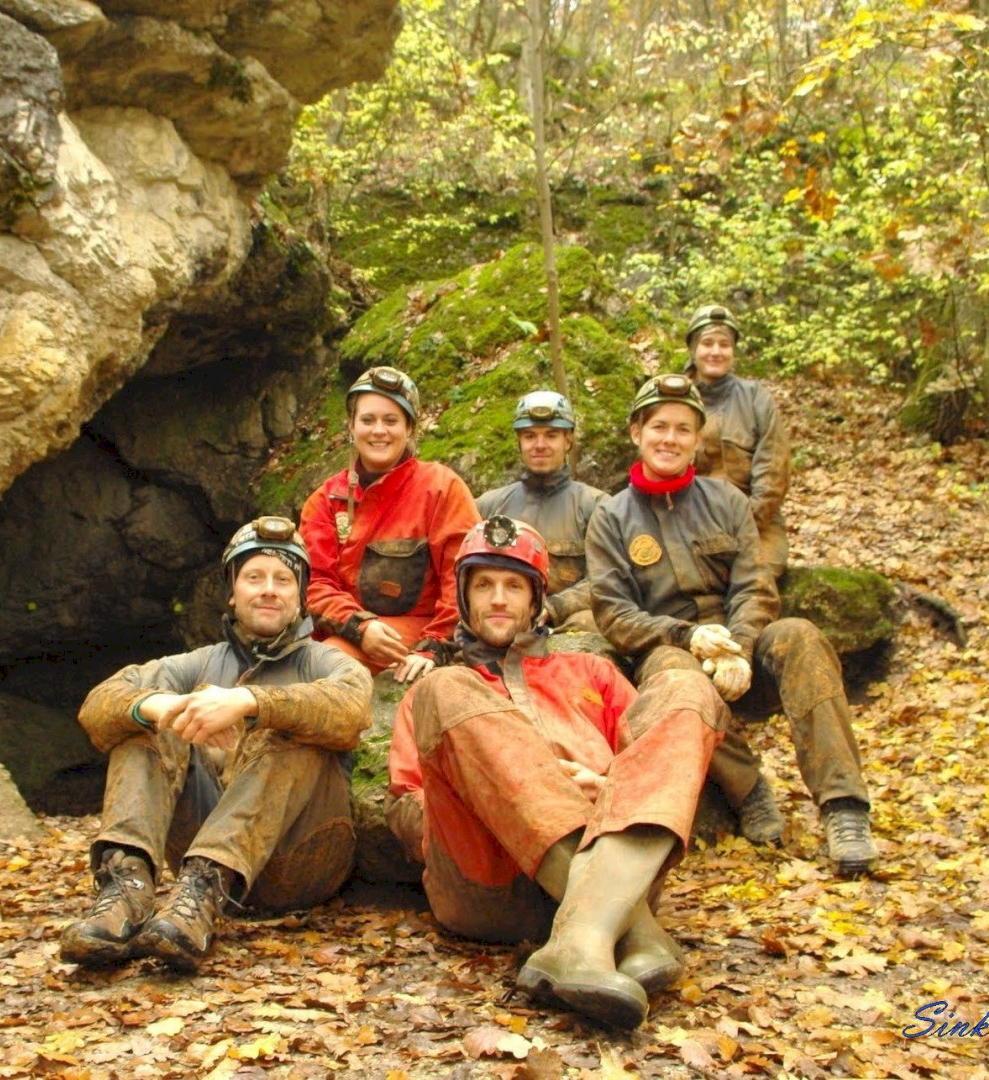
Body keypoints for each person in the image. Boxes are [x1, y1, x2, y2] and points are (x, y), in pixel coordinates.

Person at [387, 516, 726, 1029]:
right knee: (443, 685)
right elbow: (406, 807)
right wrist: (507, 798)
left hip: (615, 864)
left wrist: (606, 788)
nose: (498, 599)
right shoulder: (439, 692)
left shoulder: (593, 673)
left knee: (687, 687)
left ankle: (580, 940)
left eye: (513, 586)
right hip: (491, 885)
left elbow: (651, 768)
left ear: (536, 599)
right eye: (483, 585)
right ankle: (635, 934)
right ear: (463, 598)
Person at [587, 373, 877, 877]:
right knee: (678, 676)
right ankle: (749, 789)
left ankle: (845, 807)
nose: (670, 439)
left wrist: (737, 648)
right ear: (636, 433)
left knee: (801, 637)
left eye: (683, 429)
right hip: (669, 651)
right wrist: (686, 637)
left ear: (698, 439)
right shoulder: (611, 518)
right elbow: (614, 612)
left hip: (739, 647)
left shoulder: (727, 502)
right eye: (659, 427)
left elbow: (755, 586)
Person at [63, 517, 373, 972]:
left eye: (282, 580)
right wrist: (162, 707)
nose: (268, 590)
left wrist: (248, 702)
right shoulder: (198, 663)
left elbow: (353, 708)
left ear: (300, 597)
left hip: (300, 864)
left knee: (291, 726)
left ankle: (206, 885)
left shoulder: (326, 662)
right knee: (145, 720)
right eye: (254, 577)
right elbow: (98, 706)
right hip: (195, 862)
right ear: (232, 592)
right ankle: (126, 889)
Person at [300, 366, 480, 683]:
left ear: (409, 428)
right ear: (351, 427)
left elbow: (465, 575)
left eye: (391, 421)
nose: (379, 431)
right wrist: (359, 626)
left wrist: (435, 646)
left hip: (421, 630)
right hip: (347, 633)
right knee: (310, 664)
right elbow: (314, 582)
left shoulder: (441, 488)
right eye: (368, 420)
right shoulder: (326, 500)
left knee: (328, 664)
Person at [475, 390, 608, 630]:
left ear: (568, 441)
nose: (540, 445)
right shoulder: (488, 506)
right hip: (501, 624)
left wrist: (553, 607)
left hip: (567, 627)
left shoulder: (597, 506)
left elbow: (605, 580)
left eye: (551, 435)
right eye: (530, 436)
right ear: (519, 442)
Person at [683, 305, 790, 581]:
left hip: (755, 526)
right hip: (686, 522)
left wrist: (744, 525)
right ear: (693, 349)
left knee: (754, 582)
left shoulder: (756, 398)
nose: (716, 351)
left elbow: (773, 472)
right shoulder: (676, 397)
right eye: (707, 343)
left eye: (724, 344)